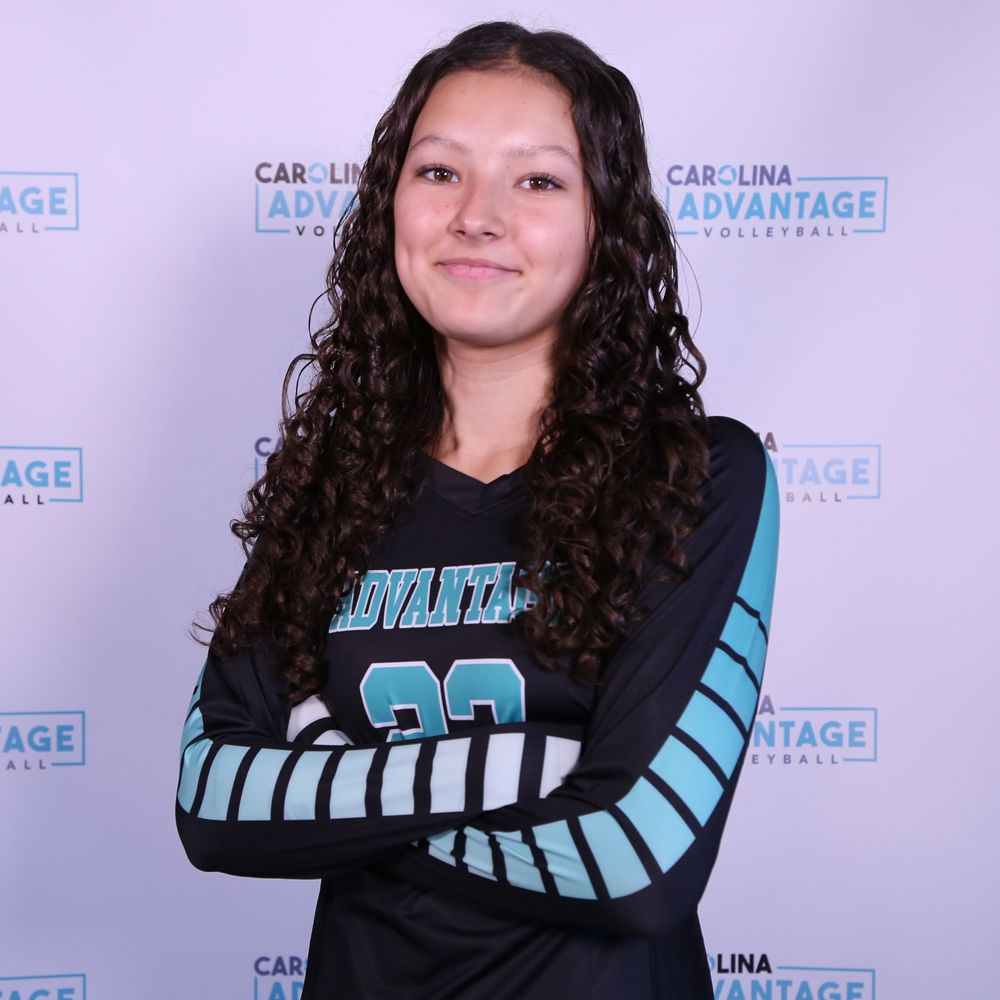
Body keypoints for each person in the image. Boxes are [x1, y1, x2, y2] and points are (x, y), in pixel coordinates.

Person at [176, 20, 779, 1000]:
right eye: (439, 171)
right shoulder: (333, 481)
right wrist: (536, 763)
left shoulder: (695, 475)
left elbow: (638, 858)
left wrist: (332, 780)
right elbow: (213, 801)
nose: (476, 217)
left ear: (605, 221)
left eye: (537, 180)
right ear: (391, 203)